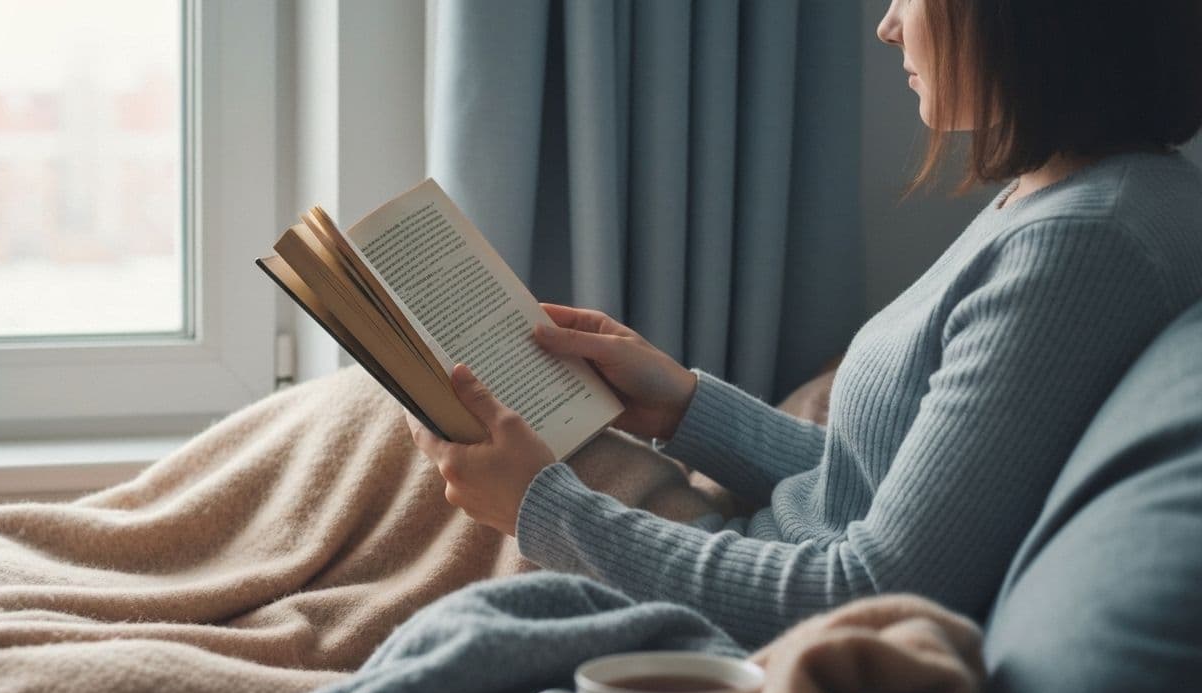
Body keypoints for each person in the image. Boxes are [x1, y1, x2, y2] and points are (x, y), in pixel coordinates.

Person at [407, 0, 1202, 648]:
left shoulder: (1085, 248)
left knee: (404, 420)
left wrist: (540, 509)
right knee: (395, 415)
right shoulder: (1070, 196)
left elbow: (871, 593)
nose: (888, 25)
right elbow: (880, 480)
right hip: (738, 544)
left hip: (743, 596)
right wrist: (686, 407)